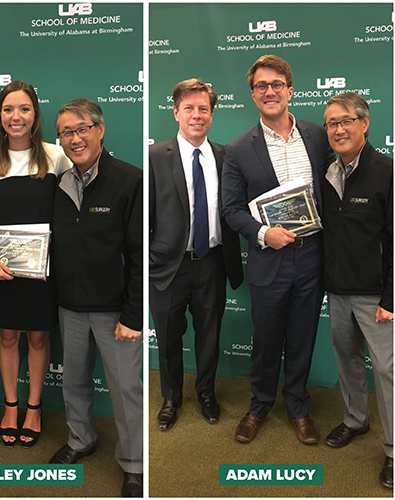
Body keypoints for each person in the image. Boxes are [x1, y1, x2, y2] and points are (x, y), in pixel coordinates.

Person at [221, 55, 332, 445]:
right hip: (269, 258)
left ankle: (299, 407)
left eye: (277, 84)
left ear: (289, 89)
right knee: (266, 339)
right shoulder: (237, 150)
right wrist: (264, 233)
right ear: (252, 94)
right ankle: (259, 405)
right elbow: (231, 210)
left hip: (313, 255)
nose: (270, 91)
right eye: (261, 86)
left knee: (302, 335)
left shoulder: (319, 136)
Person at [48, 98, 143, 497]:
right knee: (73, 380)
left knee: (125, 389)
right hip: (69, 306)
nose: (75, 138)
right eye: (66, 132)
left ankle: (134, 463)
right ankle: (80, 440)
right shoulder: (58, 183)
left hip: (114, 311)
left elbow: (140, 253)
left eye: (82, 128)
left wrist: (134, 315)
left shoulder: (129, 180)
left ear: (100, 130)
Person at [0, 80, 70, 447]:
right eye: (9, 109)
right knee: (8, 335)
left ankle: (34, 407)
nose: (16, 116)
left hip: (42, 272)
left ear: (35, 115)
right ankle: (10, 406)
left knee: (39, 337)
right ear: (0, 115)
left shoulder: (56, 157)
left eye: (24, 109)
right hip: (0, 271)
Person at [148, 79, 243, 431]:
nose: (196, 115)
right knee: (169, 337)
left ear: (212, 115)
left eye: (203, 108)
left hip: (212, 264)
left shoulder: (226, 156)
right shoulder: (155, 156)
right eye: (189, 108)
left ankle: (206, 392)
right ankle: (171, 397)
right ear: (175, 112)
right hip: (168, 267)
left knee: (209, 334)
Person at [319, 92, 393, 488]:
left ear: (364, 124)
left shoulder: (387, 172)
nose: (339, 129)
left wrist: (391, 299)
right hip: (338, 290)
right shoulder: (329, 172)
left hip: (377, 297)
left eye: (346, 120)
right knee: (347, 359)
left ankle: (394, 451)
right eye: (332, 123)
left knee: (387, 370)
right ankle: (355, 420)